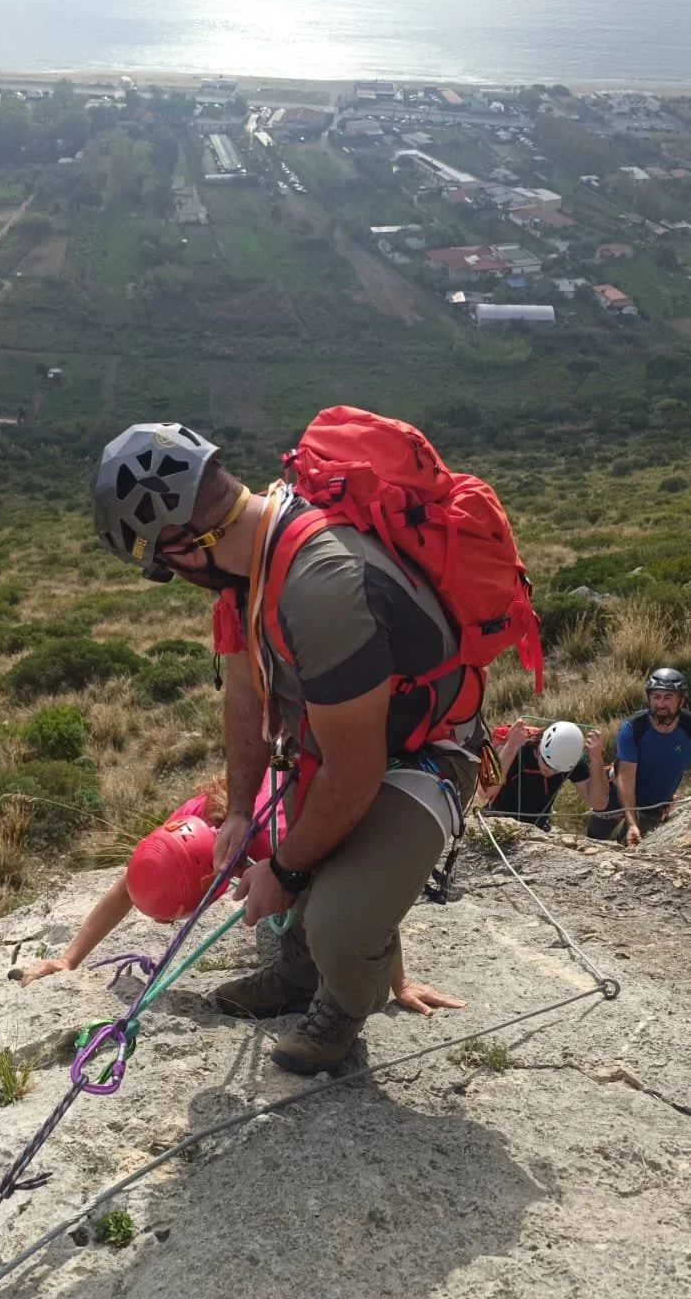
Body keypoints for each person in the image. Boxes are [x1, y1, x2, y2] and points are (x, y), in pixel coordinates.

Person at [93, 421, 487, 1074]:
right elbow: (245, 697)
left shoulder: (320, 586)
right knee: (292, 843)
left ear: (183, 548)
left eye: (163, 563)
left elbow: (357, 774)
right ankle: (298, 976)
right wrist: (244, 810)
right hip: (337, 744)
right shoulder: (251, 562)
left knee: (336, 916)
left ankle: (340, 1006)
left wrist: (284, 873)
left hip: (422, 755)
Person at [20, 769, 463, 1018]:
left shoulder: (277, 842)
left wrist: (398, 981)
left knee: (312, 903)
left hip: (342, 826)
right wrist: (69, 958)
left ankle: (301, 978)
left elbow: (367, 899)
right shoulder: (193, 821)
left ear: (206, 883)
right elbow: (125, 888)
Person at [587, 668, 691, 847]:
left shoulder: (688, 728)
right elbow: (626, 778)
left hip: (654, 806)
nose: (661, 704)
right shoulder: (634, 728)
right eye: (656, 697)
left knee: (631, 852)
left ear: (681, 700)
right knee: (593, 845)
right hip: (615, 800)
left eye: (668, 697)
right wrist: (632, 822)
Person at [477, 718, 609, 832]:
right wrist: (511, 745)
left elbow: (599, 804)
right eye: (547, 764)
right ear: (539, 749)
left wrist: (596, 759)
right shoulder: (519, 750)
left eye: (558, 770)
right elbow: (484, 792)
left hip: (536, 828)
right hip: (497, 822)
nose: (551, 772)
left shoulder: (569, 760)